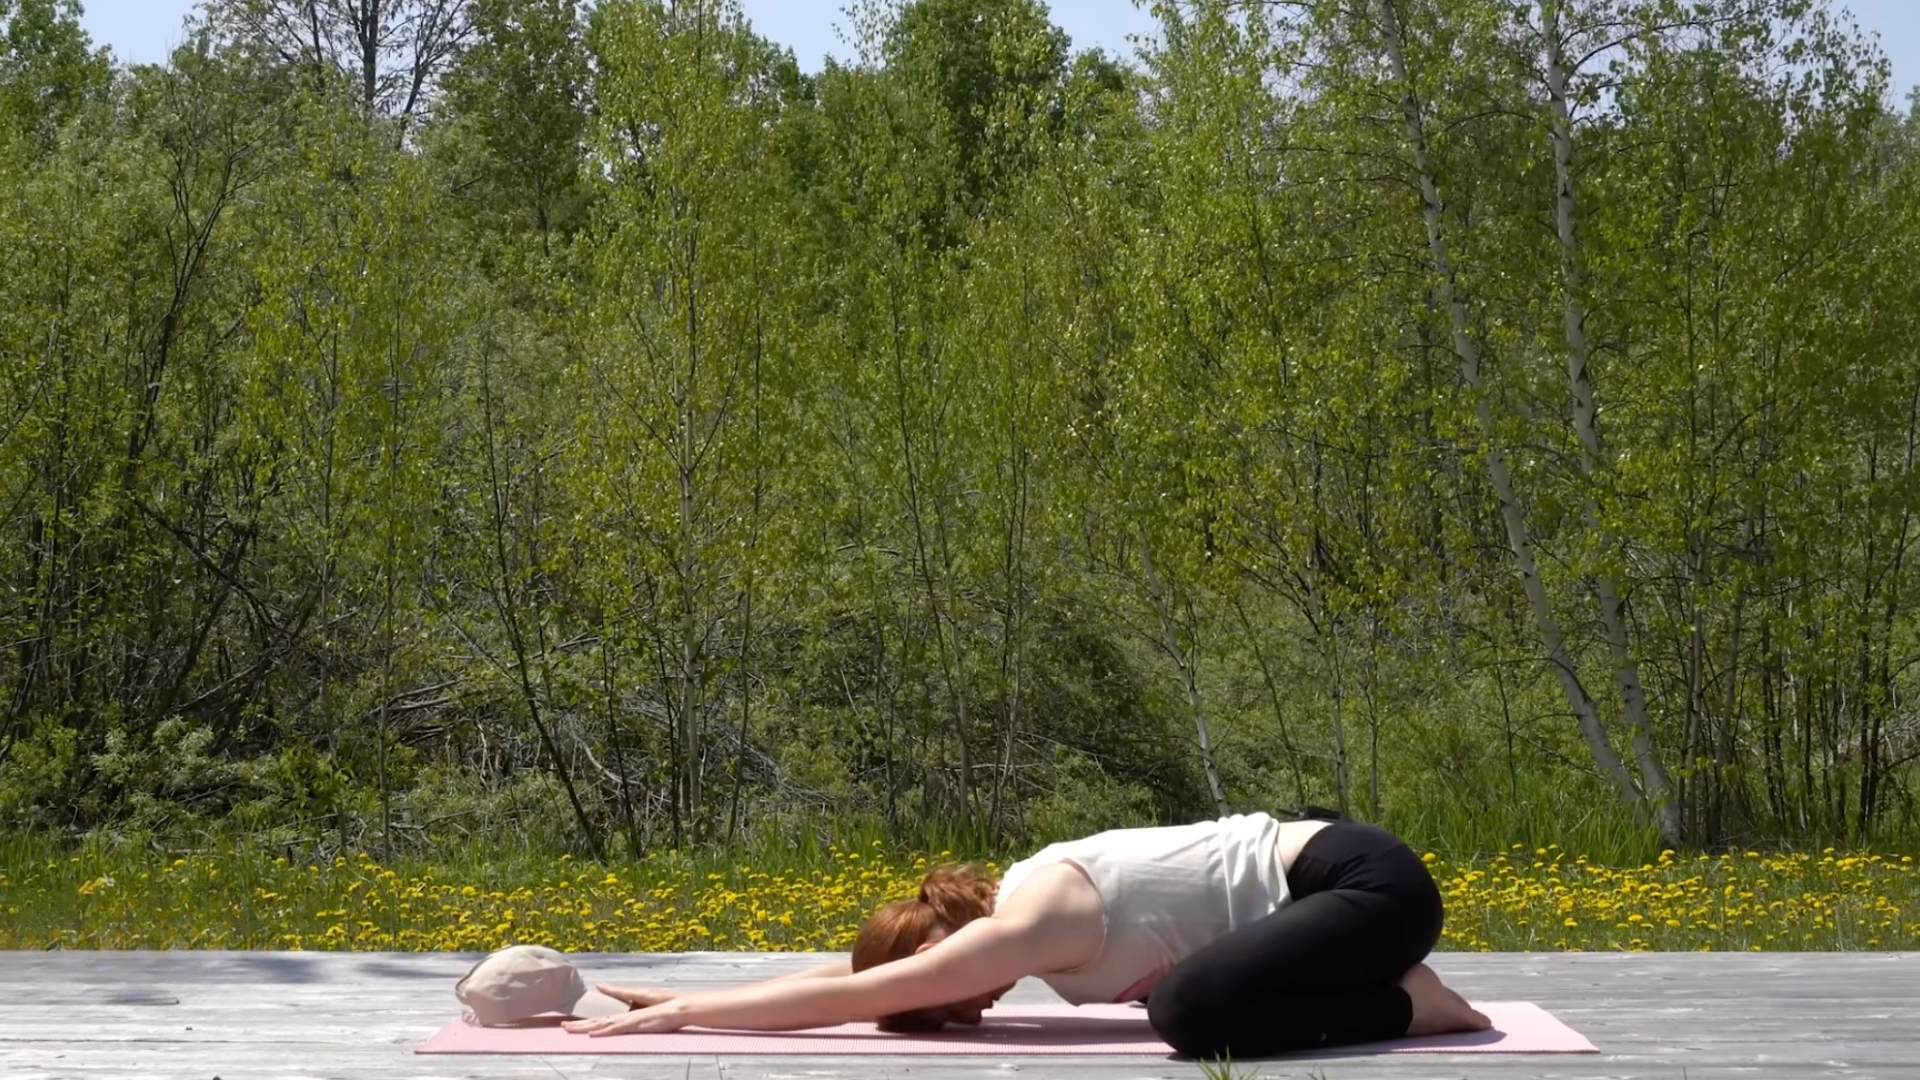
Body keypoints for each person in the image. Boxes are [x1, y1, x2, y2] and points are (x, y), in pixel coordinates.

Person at [562, 810, 1492, 1059]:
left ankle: (1415, 1005)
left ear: (943, 952)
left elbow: (857, 996)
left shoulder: (1030, 919)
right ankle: (1397, 988)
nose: (972, 1011)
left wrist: (684, 1018)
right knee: (1193, 1000)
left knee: (1189, 1012)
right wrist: (684, 994)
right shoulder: (1014, 917)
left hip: (1365, 884)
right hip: (1327, 891)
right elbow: (855, 976)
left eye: (945, 1004)